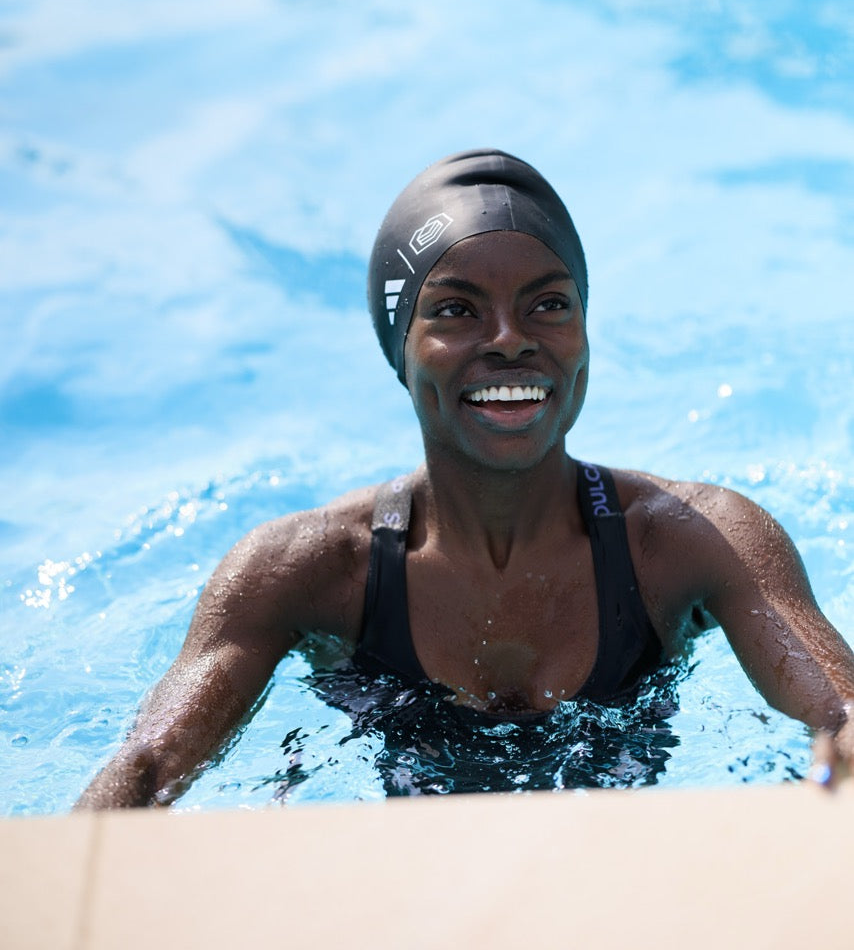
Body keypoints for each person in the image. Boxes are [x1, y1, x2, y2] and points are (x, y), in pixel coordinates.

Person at [76, 149, 854, 808]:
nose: (511, 342)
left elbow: (843, 713)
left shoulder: (689, 540)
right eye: (456, 311)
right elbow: (147, 767)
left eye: (548, 304)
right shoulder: (306, 573)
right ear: (400, 348)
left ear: (584, 331)